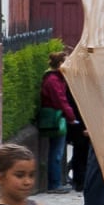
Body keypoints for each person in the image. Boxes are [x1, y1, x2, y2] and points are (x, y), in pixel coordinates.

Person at [37, 51, 81, 192]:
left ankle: (57, 181)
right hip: (56, 118)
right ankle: (54, 184)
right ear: (60, 64)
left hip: (58, 117)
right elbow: (61, 100)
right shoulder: (54, 80)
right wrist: (72, 118)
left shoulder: (56, 78)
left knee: (57, 152)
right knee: (57, 152)